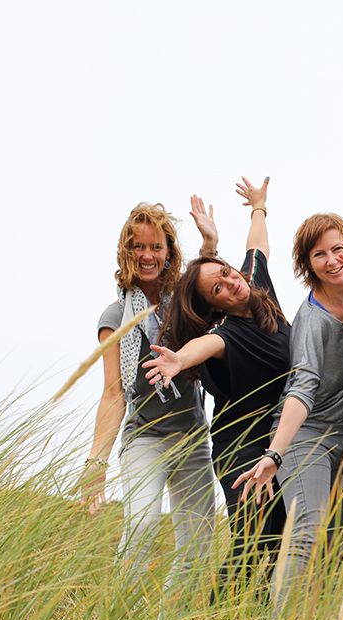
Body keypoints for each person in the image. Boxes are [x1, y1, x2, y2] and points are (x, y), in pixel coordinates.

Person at [230, 172, 343, 594]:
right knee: (305, 534)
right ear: (308, 264)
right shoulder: (311, 322)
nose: (333, 259)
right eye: (319, 254)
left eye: (339, 248)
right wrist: (275, 455)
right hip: (306, 438)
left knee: (336, 547)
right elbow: (301, 391)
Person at [143, 176, 290, 596]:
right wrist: (178, 360)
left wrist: (258, 206)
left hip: (276, 437)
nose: (231, 283)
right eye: (218, 288)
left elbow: (257, 246)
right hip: (240, 444)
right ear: (213, 305)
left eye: (226, 274)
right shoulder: (226, 333)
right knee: (250, 539)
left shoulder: (257, 286)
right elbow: (203, 346)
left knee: (279, 537)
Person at [79, 202, 215, 592]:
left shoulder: (184, 299)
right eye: (138, 247)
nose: (147, 256)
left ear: (169, 251)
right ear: (126, 252)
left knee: (199, 541)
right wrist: (96, 463)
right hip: (145, 437)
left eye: (156, 247)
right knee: (141, 526)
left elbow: (207, 285)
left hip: (191, 435)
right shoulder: (115, 316)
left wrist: (209, 241)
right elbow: (113, 393)